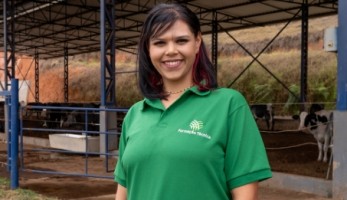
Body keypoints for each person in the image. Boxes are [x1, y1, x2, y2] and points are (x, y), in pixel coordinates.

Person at [114, 3, 272, 200]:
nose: (170, 51)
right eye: (159, 43)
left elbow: (245, 195)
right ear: (148, 49)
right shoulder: (135, 114)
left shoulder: (229, 105)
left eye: (181, 41)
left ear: (197, 43)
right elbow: (123, 191)